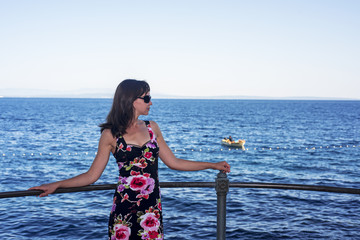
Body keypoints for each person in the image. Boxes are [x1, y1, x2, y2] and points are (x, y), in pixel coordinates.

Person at [29, 79, 231, 240]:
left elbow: (174, 162)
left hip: (151, 209)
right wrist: (57, 185)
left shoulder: (152, 128)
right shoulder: (111, 134)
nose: (151, 102)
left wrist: (211, 165)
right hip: (123, 209)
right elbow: (92, 175)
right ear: (131, 100)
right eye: (147, 97)